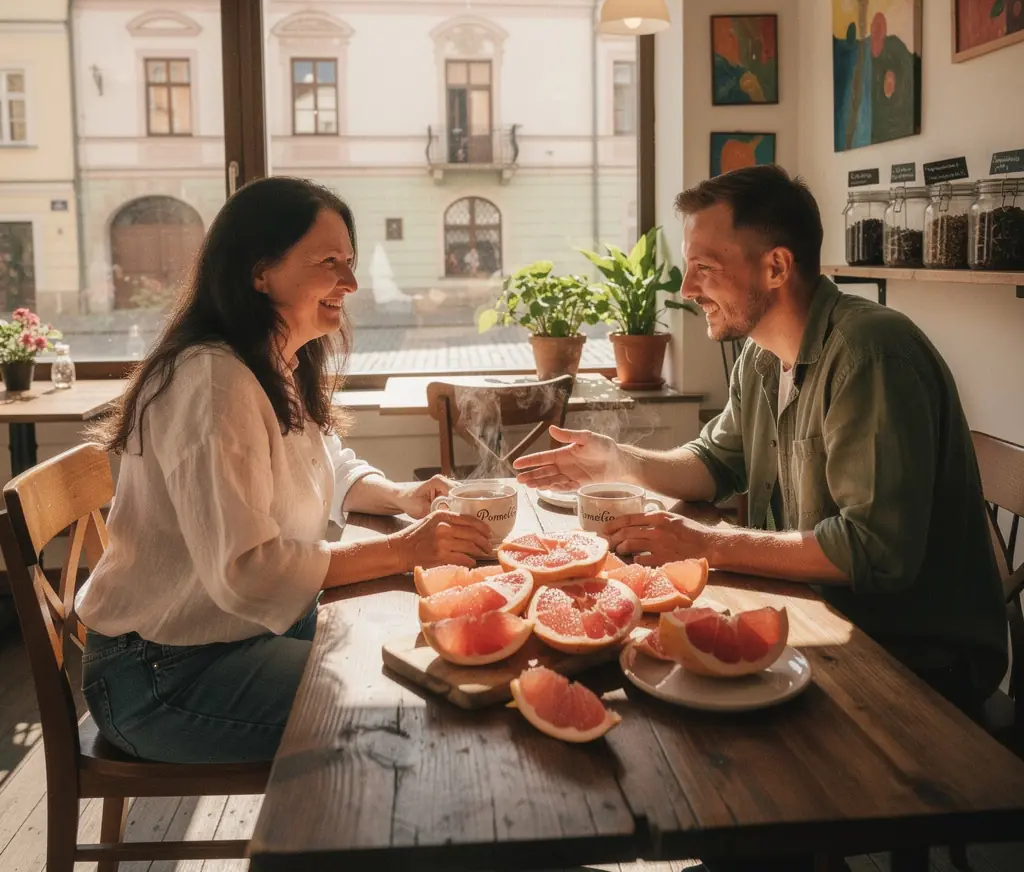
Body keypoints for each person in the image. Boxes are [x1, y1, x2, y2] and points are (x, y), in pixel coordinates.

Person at [515, 165, 1007, 716]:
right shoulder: (761, 355)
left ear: (776, 266)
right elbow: (713, 462)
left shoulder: (871, 355)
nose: (687, 289)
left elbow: (874, 550)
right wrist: (617, 462)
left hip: (915, 664)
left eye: (704, 268)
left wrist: (707, 543)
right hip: (818, 619)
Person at [78, 176, 491, 763]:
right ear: (259, 272)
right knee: (413, 709)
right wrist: (402, 551)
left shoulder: (275, 362)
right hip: (164, 676)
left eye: (349, 262)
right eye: (329, 262)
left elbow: (329, 466)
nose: (350, 282)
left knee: (428, 668)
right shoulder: (213, 382)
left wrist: (404, 496)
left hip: (242, 635)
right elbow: (247, 569)